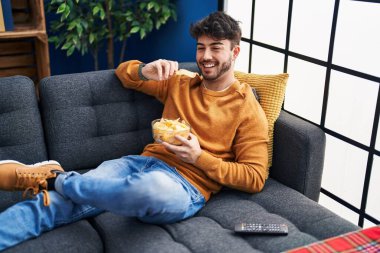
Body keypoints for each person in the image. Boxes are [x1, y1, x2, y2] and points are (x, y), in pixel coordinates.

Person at [0, 11, 268, 250]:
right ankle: (50, 186)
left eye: (216, 48)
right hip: (139, 163)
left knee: (148, 191)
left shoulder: (247, 108)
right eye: (201, 48)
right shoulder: (182, 83)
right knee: (57, 202)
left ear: (234, 52)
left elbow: (255, 177)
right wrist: (144, 70)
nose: (206, 56)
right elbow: (123, 73)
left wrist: (199, 158)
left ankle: (53, 178)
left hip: (184, 186)